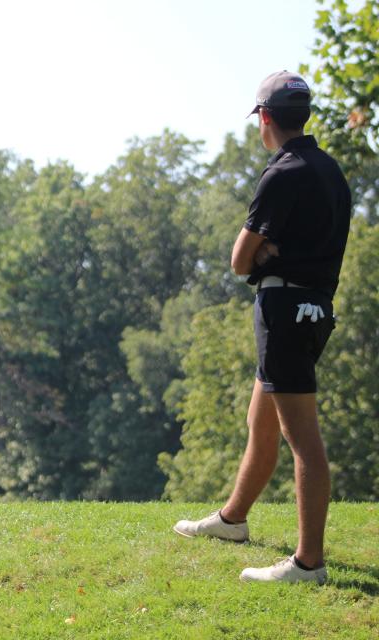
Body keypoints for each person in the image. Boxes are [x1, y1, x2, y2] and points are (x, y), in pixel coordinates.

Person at [173, 71, 352, 584]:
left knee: (303, 442)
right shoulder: (330, 170)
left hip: (285, 312)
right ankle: (232, 519)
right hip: (314, 308)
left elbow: (237, 259)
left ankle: (308, 564)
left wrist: (265, 254)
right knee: (263, 423)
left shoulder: (283, 173)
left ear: (265, 119)